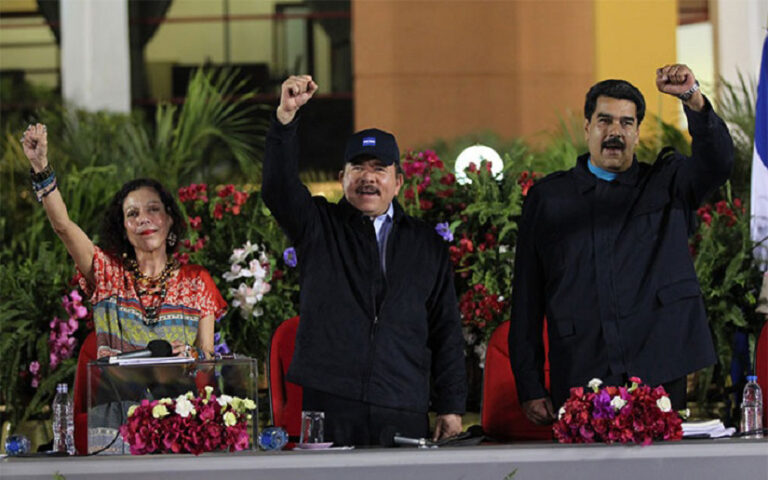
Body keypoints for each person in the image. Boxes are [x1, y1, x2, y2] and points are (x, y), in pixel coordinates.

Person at [509, 64, 734, 425]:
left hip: (659, 368)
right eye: (605, 121)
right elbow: (527, 298)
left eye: (626, 123)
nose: (615, 132)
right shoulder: (549, 198)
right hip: (582, 368)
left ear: (637, 132)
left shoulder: (668, 182)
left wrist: (693, 99)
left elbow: (718, 162)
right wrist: (530, 385)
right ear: (587, 128)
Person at [262, 75, 467, 446]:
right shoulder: (318, 225)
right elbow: (278, 189)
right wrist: (285, 120)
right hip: (331, 402)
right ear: (342, 178)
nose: (368, 178)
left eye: (379, 168)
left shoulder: (426, 244)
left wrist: (451, 407)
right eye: (358, 168)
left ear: (398, 182)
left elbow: (446, 330)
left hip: (402, 403)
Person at [21, 124, 227, 359]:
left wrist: (190, 354)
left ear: (170, 219)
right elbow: (63, 227)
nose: (144, 219)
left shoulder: (196, 281)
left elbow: (207, 357)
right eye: (132, 213)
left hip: (180, 384)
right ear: (123, 229)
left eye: (153, 209)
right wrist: (41, 168)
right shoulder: (108, 274)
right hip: (117, 384)